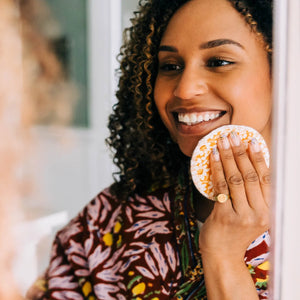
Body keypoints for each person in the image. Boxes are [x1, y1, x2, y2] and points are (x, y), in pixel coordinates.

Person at [27, 0, 272, 299]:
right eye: (170, 66)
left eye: (219, 62)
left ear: (283, 72)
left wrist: (224, 259)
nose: (184, 89)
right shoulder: (110, 219)